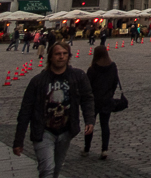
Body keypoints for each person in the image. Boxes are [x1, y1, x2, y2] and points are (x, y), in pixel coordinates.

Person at [13, 41, 95, 178]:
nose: (61, 57)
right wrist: (18, 141)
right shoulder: (38, 81)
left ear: (69, 56)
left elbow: (87, 98)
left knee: (56, 169)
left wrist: (89, 120)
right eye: (58, 54)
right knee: (47, 169)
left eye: (64, 54)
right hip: (43, 131)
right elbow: (25, 111)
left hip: (66, 130)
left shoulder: (77, 77)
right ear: (50, 57)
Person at [83, 46, 119, 159]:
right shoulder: (112, 66)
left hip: (94, 101)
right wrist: (110, 94)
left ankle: (87, 148)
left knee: (90, 124)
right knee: (105, 125)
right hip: (107, 100)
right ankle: (104, 149)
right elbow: (115, 82)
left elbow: (87, 85)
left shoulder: (93, 69)